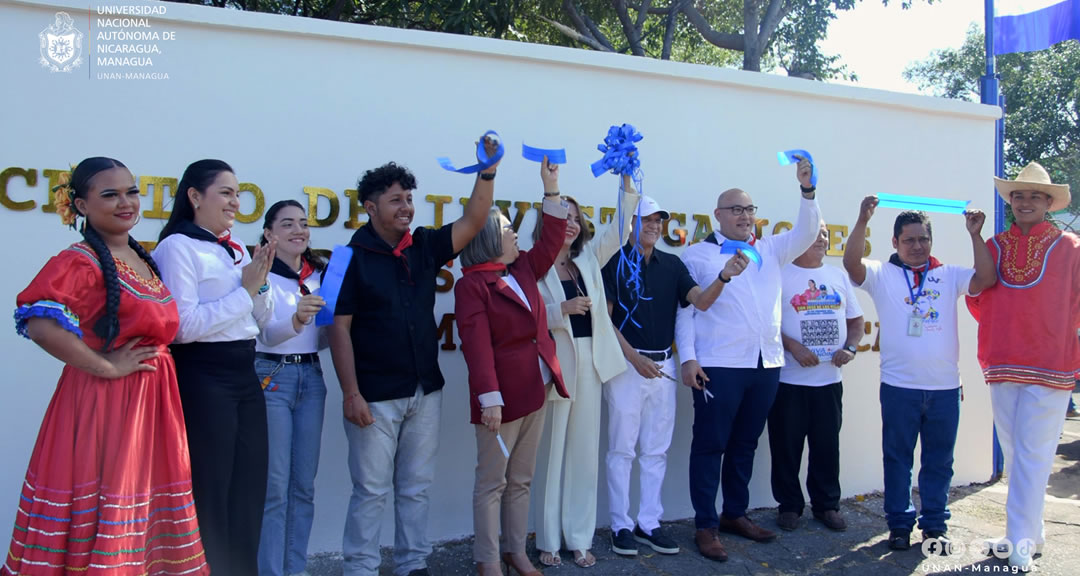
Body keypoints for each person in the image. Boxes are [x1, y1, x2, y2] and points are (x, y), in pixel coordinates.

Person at [2, 157, 209, 576]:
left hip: (150, 405)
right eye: (109, 194)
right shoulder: (81, 260)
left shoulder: (140, 258)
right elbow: (40, 323)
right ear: (80, 205)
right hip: (108, 404)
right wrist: (106, 367)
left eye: (131, 191)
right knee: (111, 499)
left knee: (140, 506)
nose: (125, 202)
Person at [329, 135, 500, 576]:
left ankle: (413, 564)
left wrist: (487, 171)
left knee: (416, 487)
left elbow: (476, 216)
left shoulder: (424, 245)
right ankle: (361, 568)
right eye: (395, 200)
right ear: (369, 206)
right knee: (370, 490)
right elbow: (338, 329)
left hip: (425, 390)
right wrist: (351, 393)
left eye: (409, 198)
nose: (406, 207)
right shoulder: (346, 258)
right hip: (374, 394)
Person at [675, 157, 819, 562]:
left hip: (765, 364)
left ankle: (733, 514)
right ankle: (705, 525)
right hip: (718, 364)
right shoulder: (698, 256)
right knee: (710, 445)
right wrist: (688, 358)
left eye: (750, 209)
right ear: (717, 215)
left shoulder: (770, 248)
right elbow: (685, 311)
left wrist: (807, 192)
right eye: (735, 210)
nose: (744, 216)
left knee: (745, 444)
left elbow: (808, 231)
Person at [843, 197, 995, 552]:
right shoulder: (882, 274)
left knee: (939, 461)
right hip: (900, 388)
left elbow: (986, 278)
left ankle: (934, 526)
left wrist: (976, 235)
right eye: (908, 240)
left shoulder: (949, 274)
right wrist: (862, 219)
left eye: (923, 239)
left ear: (931, 241)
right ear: (895, 242)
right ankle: (899, 525)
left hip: (944, 389)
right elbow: (851, 265)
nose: (917, 246)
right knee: (898, 459)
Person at [154, 159, 276, 576]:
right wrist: (245, 291)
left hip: (245, 370)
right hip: (202, 375)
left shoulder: (238, 247)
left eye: (237, 193)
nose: (235, 202)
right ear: (194, 196)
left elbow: (257, 319)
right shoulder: (176, 247)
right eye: (225, 192)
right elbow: (181, 327)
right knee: (211, 487)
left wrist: (260, 285)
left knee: (249, 486)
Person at [456, 157, 569, 576]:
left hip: (535, 390)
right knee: (492, 484)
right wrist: (489, 399)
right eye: (507, 230)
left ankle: (515, 551)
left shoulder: (521, 268)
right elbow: (477, 347)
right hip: (500, 401)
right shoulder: (472, 285)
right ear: (488, 238)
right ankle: (488, 559)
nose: (516, 235)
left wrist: (551, 189)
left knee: (521, 480)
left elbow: (552, 239)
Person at [965, 162, 1078, 571]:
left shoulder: (1070, 247)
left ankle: (1021, 545)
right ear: (1010, 201)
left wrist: (1055, 330)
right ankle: (1026, 535)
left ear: (1048, 203)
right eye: (1019, 195)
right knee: (1016, 454)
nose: (1025, 201)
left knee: (1033, 455)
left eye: (1034, 196)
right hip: (1002, 360)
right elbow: (978, 297)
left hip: (1050, 365)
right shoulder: (993, 246)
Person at [602, 196, 727, 557]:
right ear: (633, 224)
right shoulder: (614, 262)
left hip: (663, 366)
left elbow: (700, 301)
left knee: (656, 449)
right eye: (648, 220)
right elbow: (605, 320)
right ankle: (620, 525)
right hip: (627, 366)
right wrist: (633, 357)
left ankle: (649, 523)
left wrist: (723, 276)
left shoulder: (672, 265)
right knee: (622, 449)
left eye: (659, 221)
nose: (655, 226)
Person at [532, 173, 639, 568]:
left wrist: (628, 183)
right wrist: (561, 312)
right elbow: (526, 315)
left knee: (583, 453)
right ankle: (547, 538)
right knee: (553, 451)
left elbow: (620, 225)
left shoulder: (588, 259)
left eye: (575, 217)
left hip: (590, 363)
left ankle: (579, 537)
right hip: (556, 364)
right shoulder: (534, 264)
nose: (571, 223)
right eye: (564, 216)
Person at [769, 221, 864, 532]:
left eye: (825, 234)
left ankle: (826, 505)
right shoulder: (780, 274)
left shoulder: (837, 276)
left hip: (828, 382)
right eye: (815, 234)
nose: (822, 239)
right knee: (786, 447)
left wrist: (850, 348)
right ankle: (789, 507)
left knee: (826, 447)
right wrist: (793, 346)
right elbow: (766, 323)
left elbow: (856, 320)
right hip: (789, 382)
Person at [255, 200, 329, 576]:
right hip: (272, 377)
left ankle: (294, 568)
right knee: (275, 487)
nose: (299, 230)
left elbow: (328, 336)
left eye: (303, 223)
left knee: (304, 486)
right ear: (269, 233)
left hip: (312, 378)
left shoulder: (321, 273)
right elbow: (265, 332)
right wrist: (298, 320)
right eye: (287, 224)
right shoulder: (260, 272)